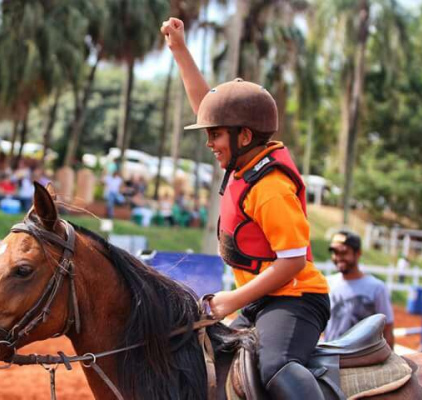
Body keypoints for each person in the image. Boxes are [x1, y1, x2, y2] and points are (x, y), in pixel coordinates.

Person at [161, 17, 330, 399]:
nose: (210, 143)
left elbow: (293, 263)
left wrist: (232, 300)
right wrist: (179, 50)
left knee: (275, 368)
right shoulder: (245, 163)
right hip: (260, 301)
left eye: (215, 135)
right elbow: (208, 107)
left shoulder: (270, 188)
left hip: (297, 301)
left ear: (244, 136)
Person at [325, 230, 394, 348]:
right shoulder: (326, 284)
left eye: (344, 252)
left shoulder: (376, 288)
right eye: (335, 252)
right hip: (331, 356)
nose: (338, 257)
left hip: (363, 358)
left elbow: (387, 328)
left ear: (358, 253)